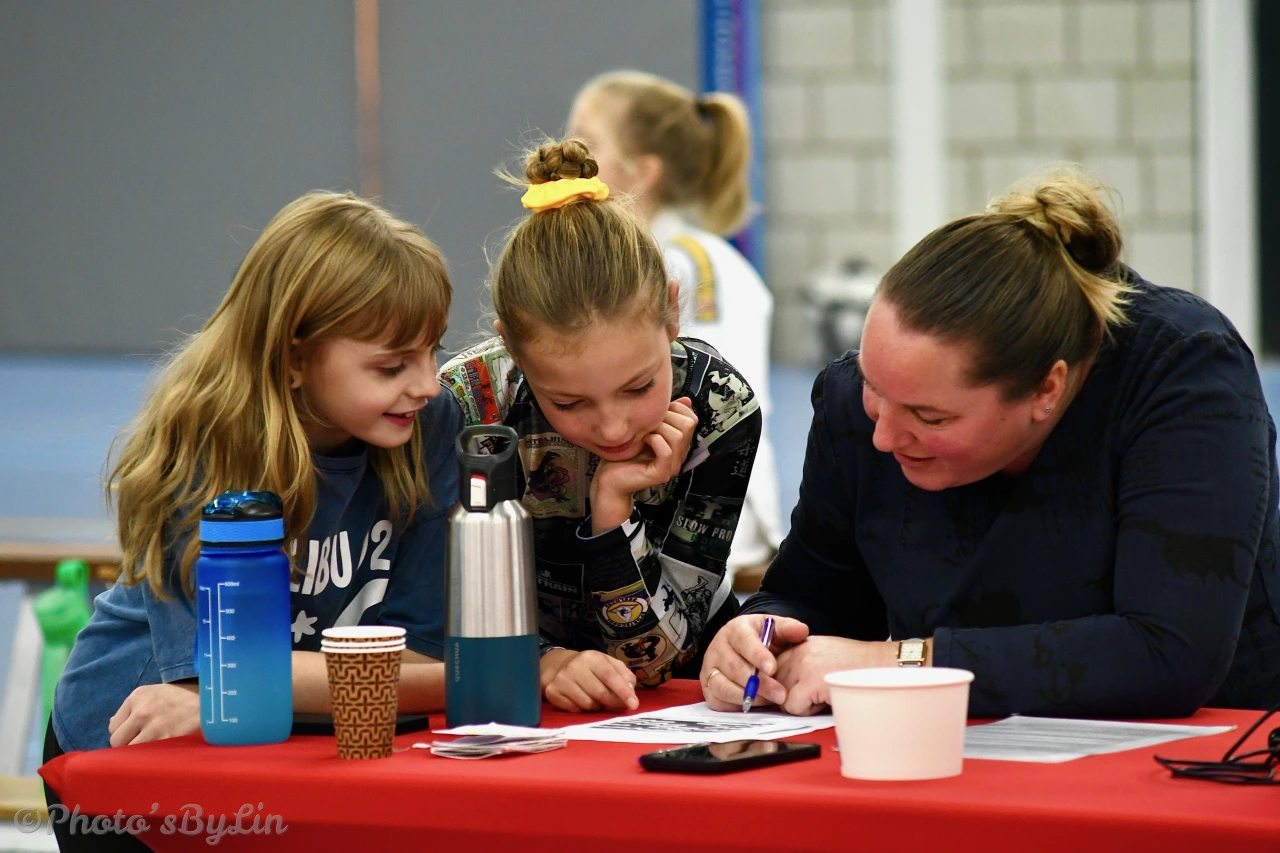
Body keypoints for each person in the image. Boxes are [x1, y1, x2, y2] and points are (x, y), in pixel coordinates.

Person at [701, 167, 1280, 719]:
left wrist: (900, 663)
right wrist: (757, 639)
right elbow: (815, 597)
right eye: (873, 388)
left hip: (1205, 757)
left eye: (930, 417)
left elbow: (1168, 652)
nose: (883, 435)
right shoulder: (853, 407)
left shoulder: (1181, 374)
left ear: (1047, 390)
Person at [49, 192, 460, 762]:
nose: (429, 385)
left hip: (295, 731)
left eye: (433, 351)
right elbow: (220, 678)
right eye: (391, 366)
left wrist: (259, 680)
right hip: (131, 735)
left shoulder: (430, 425)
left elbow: (426, 665)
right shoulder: (208, 435)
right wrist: (248, 682)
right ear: (293, 359)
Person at [439, 138, 761, 714]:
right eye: (568, 402)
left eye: (638, 388)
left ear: (671, 313)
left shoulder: (719, 406)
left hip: (684, 700)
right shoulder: (467, 403)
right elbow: (438, 598)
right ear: (512, 348)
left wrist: (613, 507)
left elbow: (658, 661)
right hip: (512, 685)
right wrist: (541, 660)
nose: (612, 429)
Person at [568, 71, 783, 583]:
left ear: (643, 172)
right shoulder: (610, 262)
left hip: (715, 531)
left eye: (588, 142)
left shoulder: (692, 264)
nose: (568, 155)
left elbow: (717, 405)